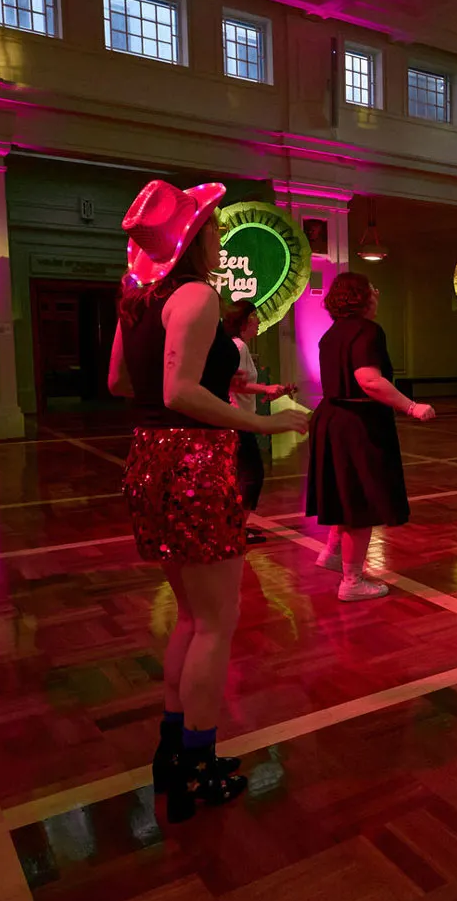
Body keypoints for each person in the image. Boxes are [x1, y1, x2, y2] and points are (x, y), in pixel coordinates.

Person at [109, 179, 309, 822]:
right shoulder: (195, 294)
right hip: (194, 460)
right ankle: (196, 767)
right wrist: (268, 423)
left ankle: (175, 755)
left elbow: (121, 382)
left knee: (192, 617)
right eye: (213, 224)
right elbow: (180, 391)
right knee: (215, 623)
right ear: (194, 237)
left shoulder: (138, 299)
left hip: (148, 458)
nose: (220, 233)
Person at [305, 272, 435, 601]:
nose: (377, 294)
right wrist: (412, 406)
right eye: (373, 289)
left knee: (344, 493)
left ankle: (332, 554)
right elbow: (368, 380)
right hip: (357, 424)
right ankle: (352, 581)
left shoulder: (331, 334)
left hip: (332, 418)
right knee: (359, 499)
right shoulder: (368, 331)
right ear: (363, 297)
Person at [222, 301, 294, 544]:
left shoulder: (237, 346)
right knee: (251, 474)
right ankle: (236, 529)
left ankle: (238, 525)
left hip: (239, 418)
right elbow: (234, 384)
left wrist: (268, 389)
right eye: (255, 317)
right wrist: (265, 387)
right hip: (237, 420)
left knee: (244, 474)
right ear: (244, 321)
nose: (259, 321)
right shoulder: (238, 347)